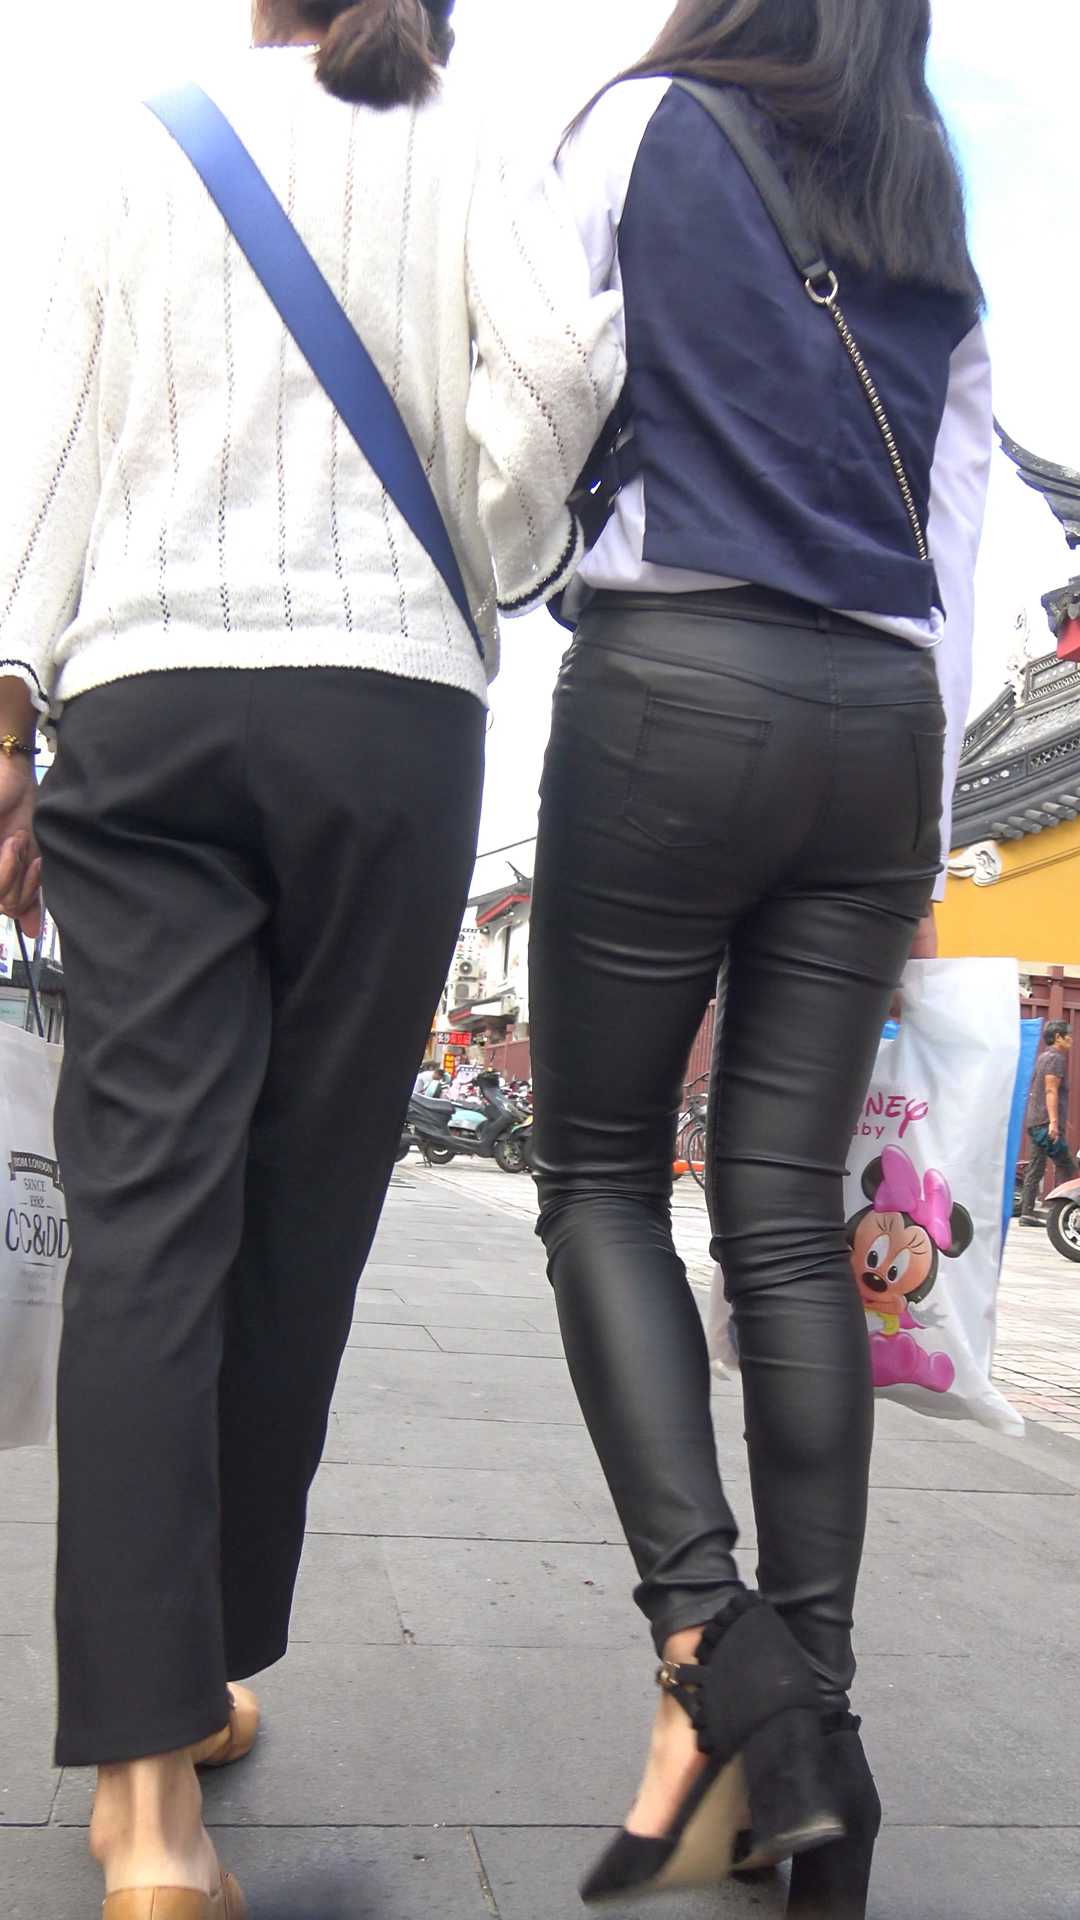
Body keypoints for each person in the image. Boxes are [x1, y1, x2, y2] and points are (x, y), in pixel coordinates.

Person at [0, 2, 622, 1914]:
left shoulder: (136, 135)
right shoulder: (477, 137)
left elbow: (49, 441)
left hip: (146, 705)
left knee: (146, 1223)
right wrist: (481, 541)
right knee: (301, 1221)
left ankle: (144, 1804)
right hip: (387, 717)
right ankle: (194, 1679)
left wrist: (9, 716)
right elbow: (567, 371)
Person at [527, 4, 991, 1915]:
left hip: (673, 684)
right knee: (787, 1215)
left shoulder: (641, 126)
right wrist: (924, 820)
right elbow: (957, 533)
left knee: (599, 1178)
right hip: (880, 725)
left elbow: (535, 397)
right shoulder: (931, 196)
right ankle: (824, 1758)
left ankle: (722, 1651)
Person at [1020, 1021, 1076, 1223]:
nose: (1071, 1039)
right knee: (1067, 1166)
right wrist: (1053, 1122)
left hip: (1036, 1121)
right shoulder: (1056, 1058)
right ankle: (1061, 1213)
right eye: (1068, 1035)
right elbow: (1050, 1090)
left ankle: (1027, 1212)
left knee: (1036, 1167)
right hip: (1045, 1123)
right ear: (1058, 1037)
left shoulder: (1044, 1057)